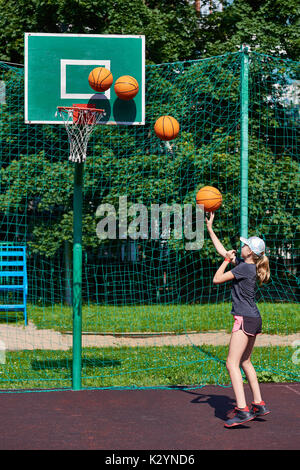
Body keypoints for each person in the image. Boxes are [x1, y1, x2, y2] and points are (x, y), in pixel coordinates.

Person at [206, 212, 271, 427]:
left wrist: (225, 262)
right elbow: (222, 250)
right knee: (245, 361)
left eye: (244, 245)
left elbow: (217, 279)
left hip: (244, 318)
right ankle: (259, 404)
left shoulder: (243, 267)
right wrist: (210, 228)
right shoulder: (249, 265)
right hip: (254, 317)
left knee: (231, 363)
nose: (240, 246)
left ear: (249, 251)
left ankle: (243, 410)